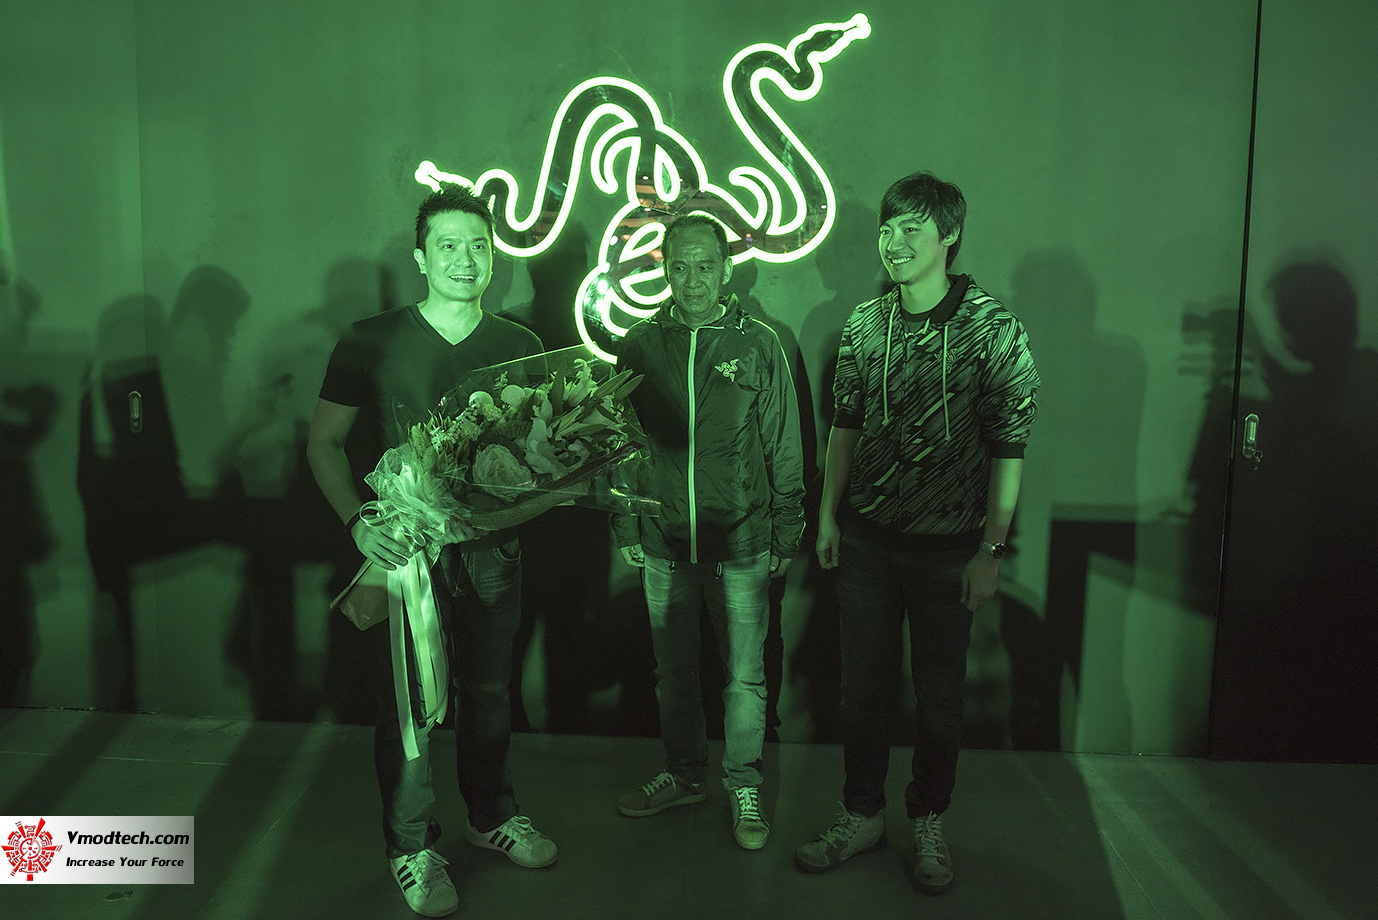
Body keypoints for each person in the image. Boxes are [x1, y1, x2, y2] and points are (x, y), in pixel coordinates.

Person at [307, 183, 556, 919]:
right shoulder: (370, 339)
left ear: (495, 256)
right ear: (421, 257)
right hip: (406, 553)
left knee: (490, 692)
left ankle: (491, 815)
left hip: (493, 553)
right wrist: (357, 523)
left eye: (478, 245)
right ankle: (412, 846)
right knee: (407, 704)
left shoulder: (521, 346)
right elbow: (323, 443)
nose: (464, 259)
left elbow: (543, 458)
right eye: (448, 245)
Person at [794, 172, 1039, 894]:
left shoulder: (993, 329)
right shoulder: (866, 324)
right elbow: (844, 427)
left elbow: (1010, 448)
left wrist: (991, 549)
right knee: (860, 690)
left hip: (950, 550)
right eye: (887, 228)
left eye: (911, 229)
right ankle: (861, 814)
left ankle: (928, 817)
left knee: (938, 697)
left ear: (948, 236)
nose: (894, 243)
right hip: (868, 543)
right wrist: (829, 516)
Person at [612, 213, 805, 850]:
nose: (692, 279)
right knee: (673, 675)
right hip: (665, 542)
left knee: (744, 678)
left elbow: (783, 444)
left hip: (743, 542)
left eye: (704, 266)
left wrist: (787, 530)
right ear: (664, 269)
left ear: (726, 270)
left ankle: (743, 783)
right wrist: (627, 518)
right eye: (679, 266)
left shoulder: (760, 344)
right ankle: (684, 774)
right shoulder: (640, 345)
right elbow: (619, 442)